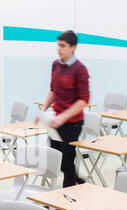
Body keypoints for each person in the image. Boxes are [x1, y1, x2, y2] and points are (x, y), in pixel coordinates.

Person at [35, 30, 90, 188]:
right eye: (58, 45)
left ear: (73, 47)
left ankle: (67, 199)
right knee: (57, 160)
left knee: (67, 161)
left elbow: (83, 101)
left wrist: (63, 117)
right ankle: (79, 182)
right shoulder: (55, 65)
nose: (59, 49)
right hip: (56, 121)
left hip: (72, 123)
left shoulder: (80, 70)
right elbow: (53, 90)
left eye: (63, 46)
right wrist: (44, 110)